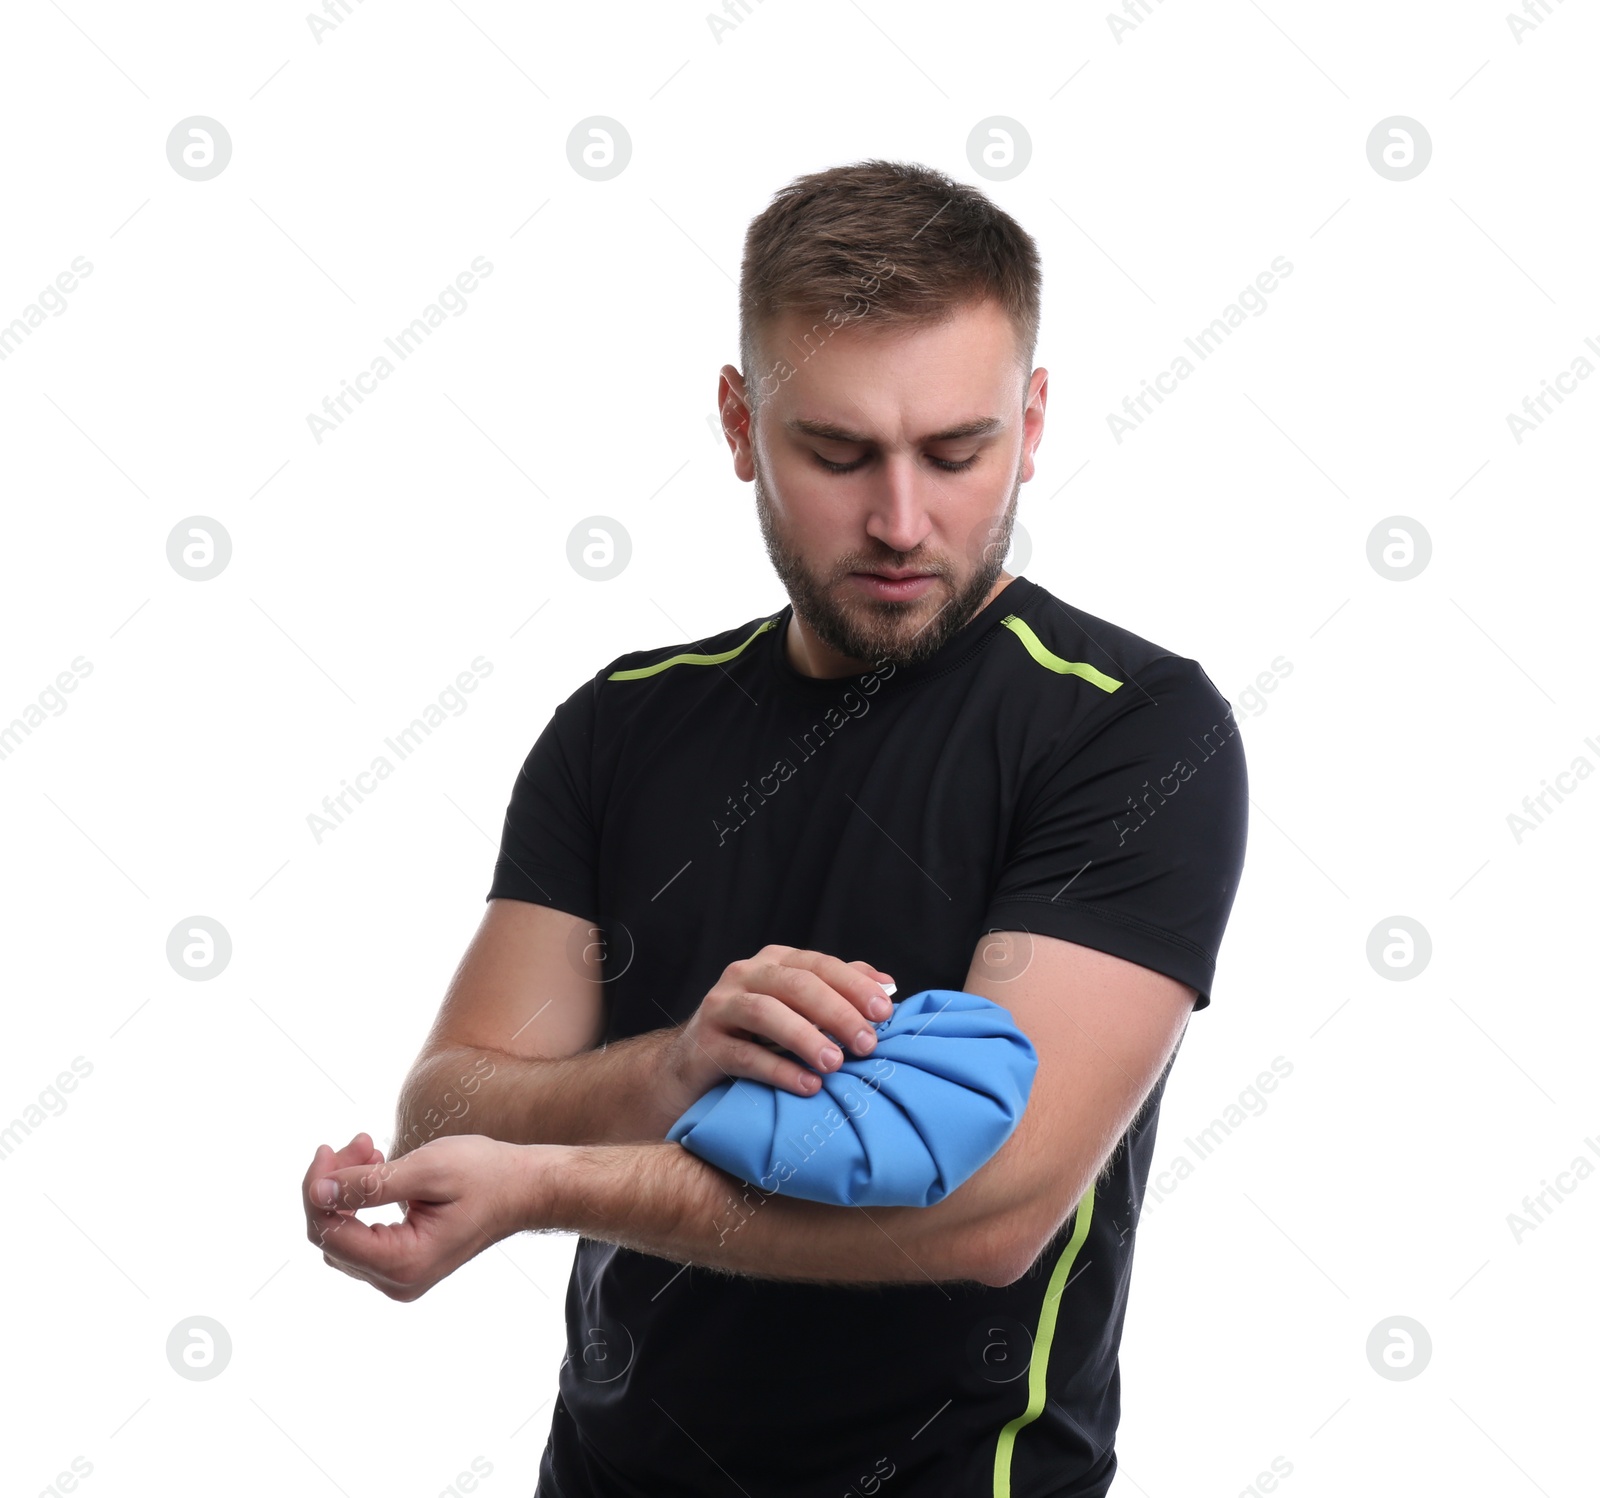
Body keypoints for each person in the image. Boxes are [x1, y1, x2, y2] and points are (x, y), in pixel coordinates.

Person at [304, 158, 1249, 1497]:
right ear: (743, 423)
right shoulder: (621, 724)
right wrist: (671, 1071)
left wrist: (544, 1181)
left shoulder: (1133, 728)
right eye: (839, 451)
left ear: (1032, 425)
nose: (901, 520)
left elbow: (994, 1207)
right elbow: (449, 1097)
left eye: (959, 450)